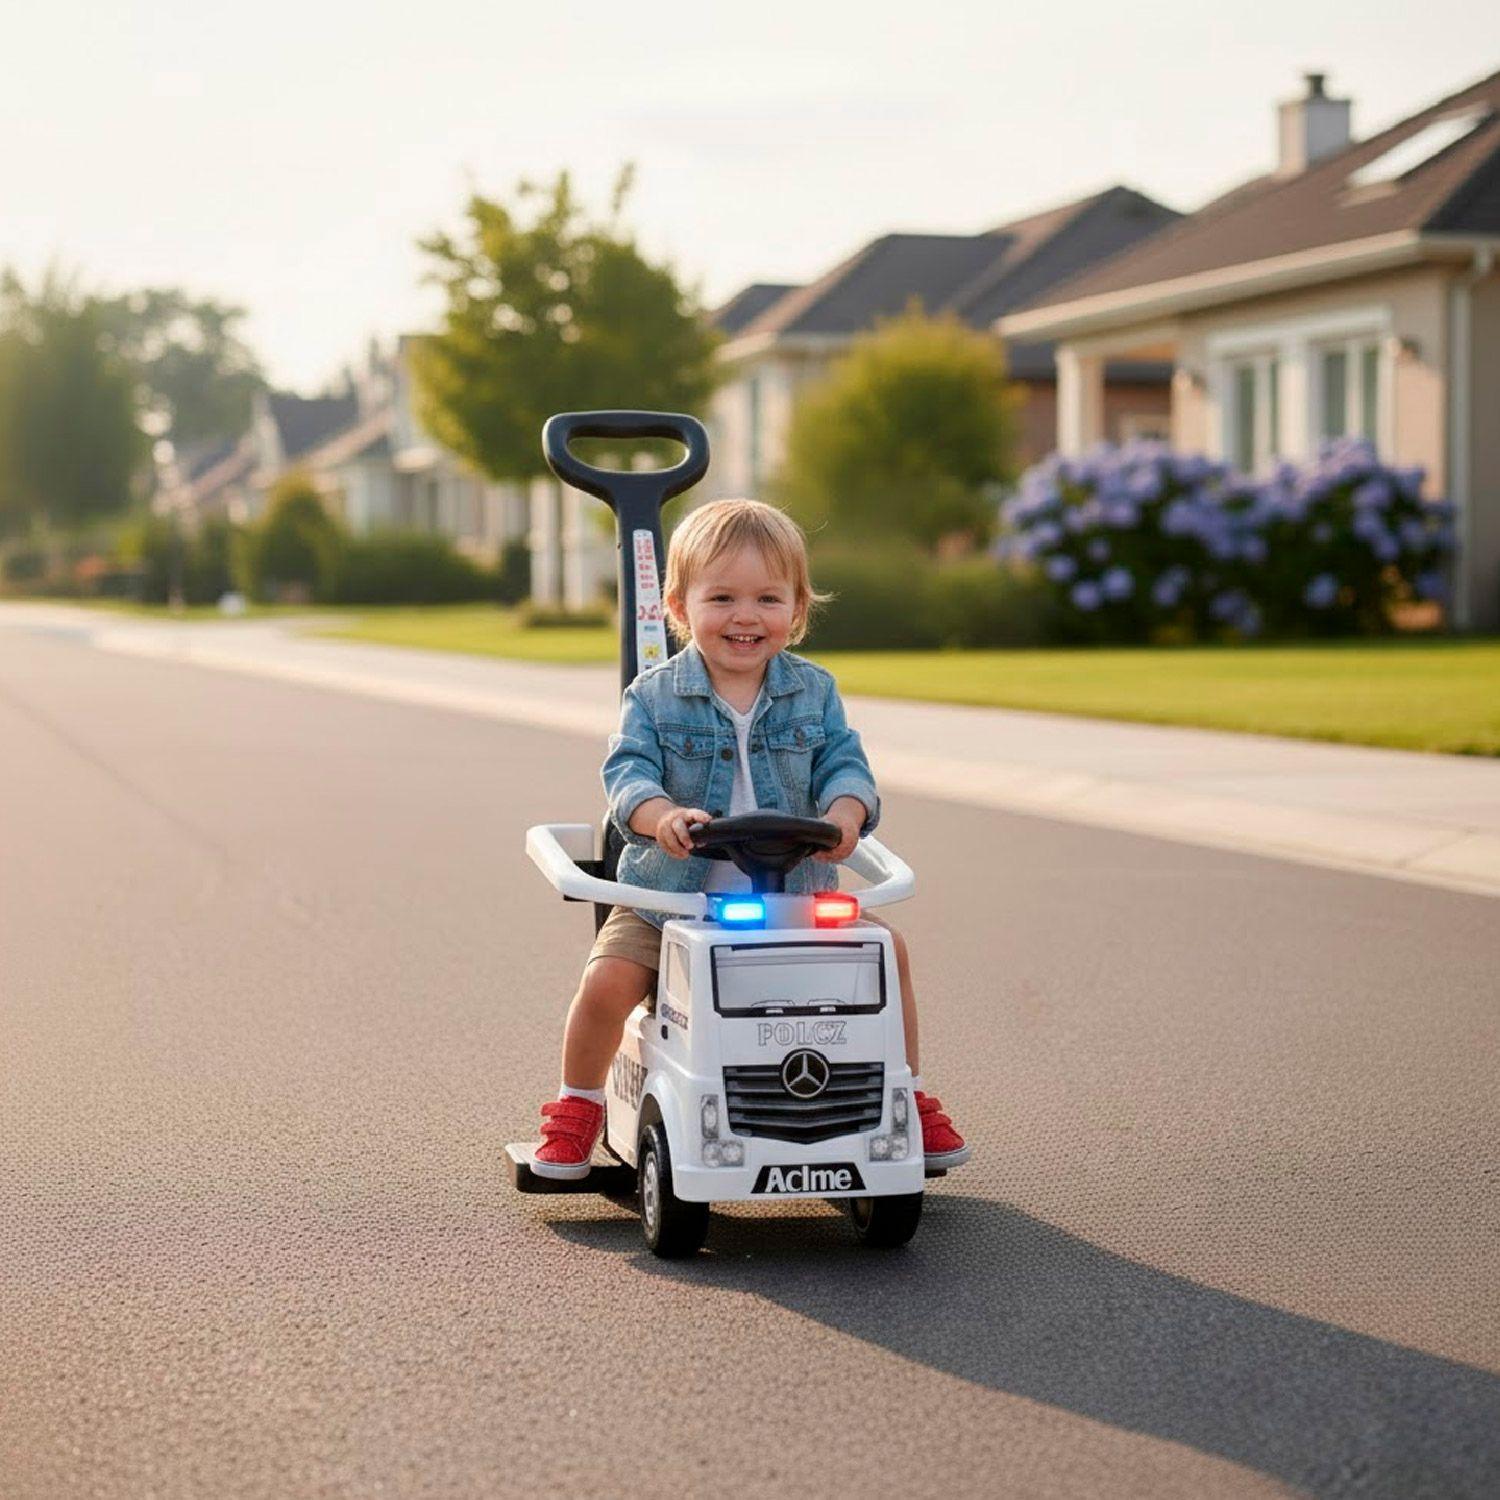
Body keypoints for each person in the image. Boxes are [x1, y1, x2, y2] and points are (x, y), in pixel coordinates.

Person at [530, 498, 969, 1178]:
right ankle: (577, 1106)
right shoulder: (653, 697)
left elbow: (845, 766)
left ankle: (903, 1094)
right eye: (723, 597)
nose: (745, 617)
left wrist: (847, 814)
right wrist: (661, 817)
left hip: (794, 899)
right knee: (609, 981)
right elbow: (627, 776)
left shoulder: (814, 694)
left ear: (797, 610)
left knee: (886, 951)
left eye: (768, 598)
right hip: (670, 900)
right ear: (679, 607)